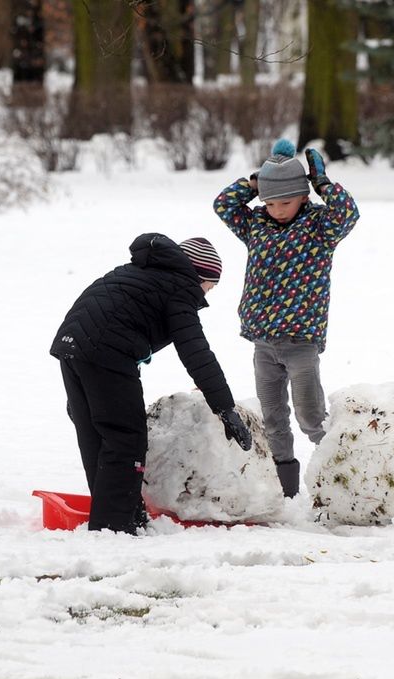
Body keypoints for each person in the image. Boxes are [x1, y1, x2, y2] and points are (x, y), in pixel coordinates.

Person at [50, 234, 252, 534]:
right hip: (105, 352)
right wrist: (224, 407)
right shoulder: (179, 288)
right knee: (126, 439)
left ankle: (121, 516)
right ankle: (114, 527)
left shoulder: (139, 272)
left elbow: (97, 315)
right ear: (199, 276)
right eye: (211, 284)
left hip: (72, 345)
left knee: (96, 434)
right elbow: (196, 351)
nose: (208, 293)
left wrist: (85, 390)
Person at [213, 139, 360, 497]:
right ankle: (287, 492)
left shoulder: (320, 229)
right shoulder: (256, 226)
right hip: (263, 341)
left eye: (286, 201)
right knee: (273, 418)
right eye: (270, 202)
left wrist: (322, 182)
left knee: (311, 416)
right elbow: (223, 204)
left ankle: (341, 475)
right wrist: (255, 182)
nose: (277, 209)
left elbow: (348, 213)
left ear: (303, 197)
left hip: (300, 343)